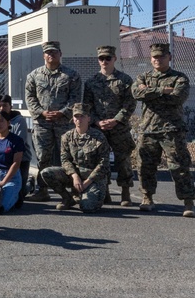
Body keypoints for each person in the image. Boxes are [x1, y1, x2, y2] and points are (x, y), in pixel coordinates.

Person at [132, 42, 195, 216]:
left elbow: (177, 98)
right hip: (148, 130)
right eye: (155, 57)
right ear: (150, 59)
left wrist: (150, 93)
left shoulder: (179, 78)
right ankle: (147, 198)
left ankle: (188, 202)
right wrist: (163, 90)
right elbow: (137, 94)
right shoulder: (143, 77)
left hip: (172, 130)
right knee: (145, 166)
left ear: (169, 57)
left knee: (179, 167)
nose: (158, 59)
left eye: (161, 56)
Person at [24, 41, 83, 202]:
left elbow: (76, 98)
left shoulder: (72, 75)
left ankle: (74, 190)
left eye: (54, 52)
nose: (51, 55)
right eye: (48, 53)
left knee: (69, 156)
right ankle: (42, 190)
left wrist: (63, 112)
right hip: (42, 124)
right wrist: (41, 112)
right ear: (44, 55)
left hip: (64, 123)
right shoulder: (34, 76)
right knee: (43, 157)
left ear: (60, 54)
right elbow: (30, 98)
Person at [83, 45, 136, 206]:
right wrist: (97, 121)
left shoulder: (125, 80)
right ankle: (103, 190)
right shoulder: (91, 82)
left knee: (123, 159)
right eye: (101, 58)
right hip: (99, 128)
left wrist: (116, 120)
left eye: (108, 58)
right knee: (100, 160)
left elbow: (129, 104)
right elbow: (87, 106)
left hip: (119, 127)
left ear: (114, 59)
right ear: (98, 60)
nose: (104, 61)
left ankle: (125, 192)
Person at [39, 103, 110, 213]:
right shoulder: (67, 137)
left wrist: (88, 181)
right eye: (76, 116)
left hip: (93, 178)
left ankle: (88, 195)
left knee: (88, 207)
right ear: (73, 119)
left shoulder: (99, 137)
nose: (79, 119)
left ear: (89, 119)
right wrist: (74, 176)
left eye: (82, 116)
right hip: (75, 176)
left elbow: (103, 163)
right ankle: (68, 198)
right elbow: (65, 159)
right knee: (46, 172)